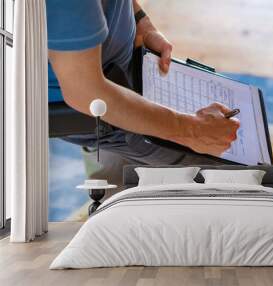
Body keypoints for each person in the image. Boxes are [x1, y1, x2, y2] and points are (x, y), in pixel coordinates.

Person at [47, 0, 240, 185]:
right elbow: (85, 93)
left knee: (117, 180)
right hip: (102, 107)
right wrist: (192, 131)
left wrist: (141, 22)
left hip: (125, 75)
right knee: (235, 180)